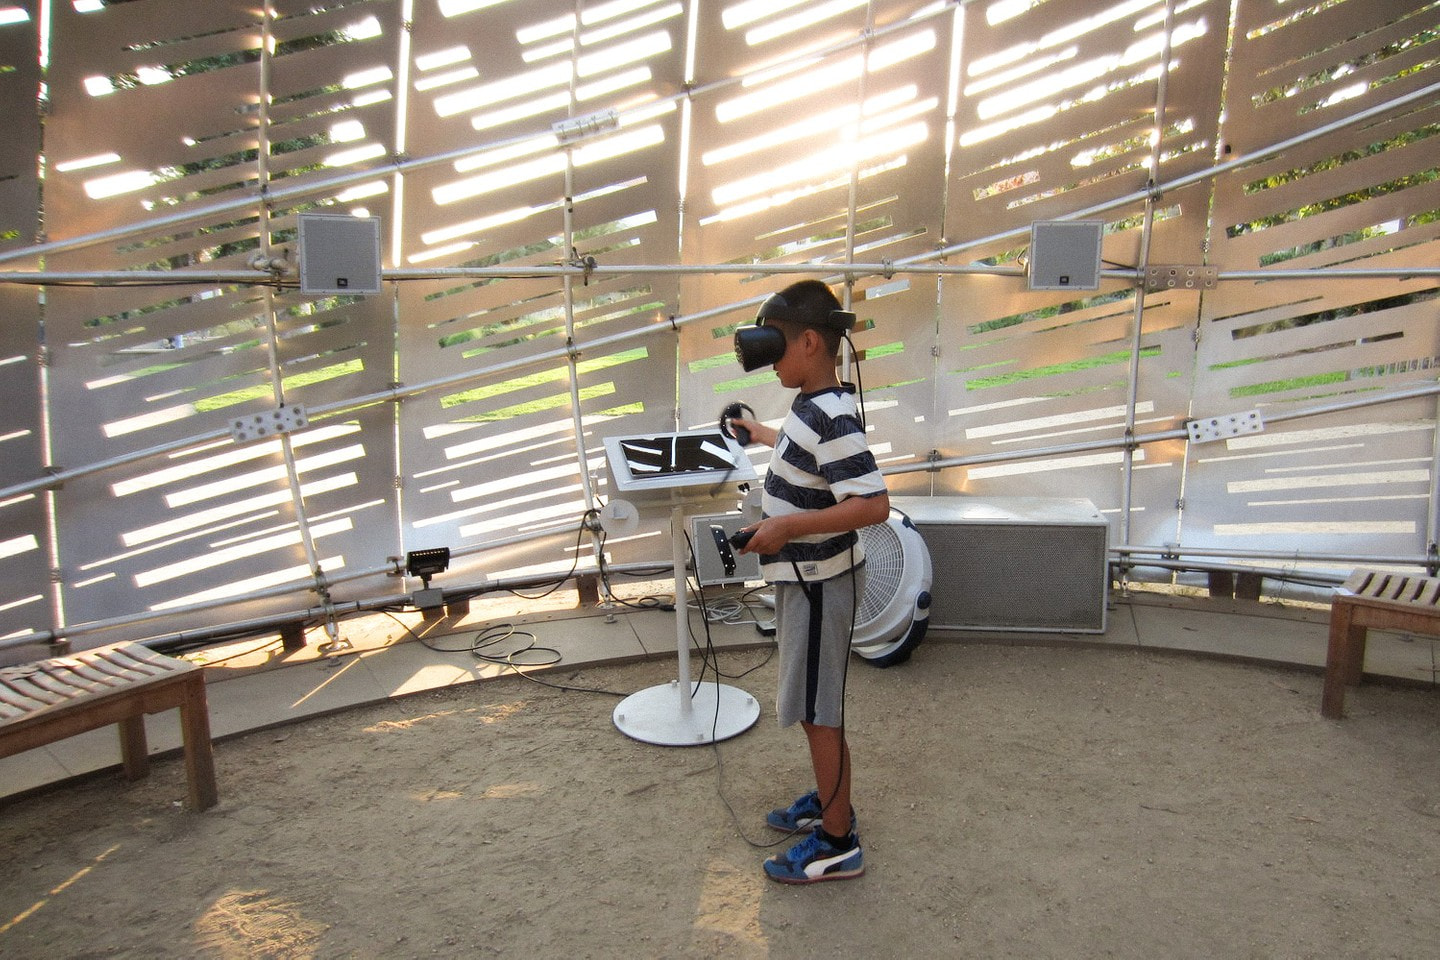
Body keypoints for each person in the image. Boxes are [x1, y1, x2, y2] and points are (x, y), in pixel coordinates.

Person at [728, 279, 890, 884]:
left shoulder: (834, 414)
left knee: (820, 711)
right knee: (813, 707)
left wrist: (789, 526)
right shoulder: (812, 405)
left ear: (813, 343)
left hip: (821, 584)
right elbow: (808, 455)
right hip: (807, 581)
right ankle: (829, 800)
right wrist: (762, 435)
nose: (772, 362)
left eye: (779, 349)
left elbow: (873, 505)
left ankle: (837, 839)